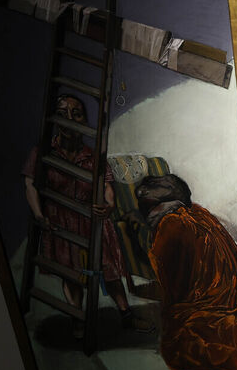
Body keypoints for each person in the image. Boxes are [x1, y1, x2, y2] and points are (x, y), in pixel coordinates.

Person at [22, 94, 152, 338]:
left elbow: (107, 186)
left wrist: (109, 205)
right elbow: (30, 184)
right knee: (71, 272)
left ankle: (125, 315)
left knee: (109, 270)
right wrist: (40, 216)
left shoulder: (93, 156)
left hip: (92, 221)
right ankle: (78, 318)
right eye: (62, 114)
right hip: (61, 223)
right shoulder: (43, 152)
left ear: (84, 120)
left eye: (76, 113)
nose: (70, 119)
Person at [134, 174, 237, 370]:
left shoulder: (171, 226)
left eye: (147, 206)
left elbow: (174, 287)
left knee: (180, 348)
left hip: (202, 312)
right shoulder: (200, 214)